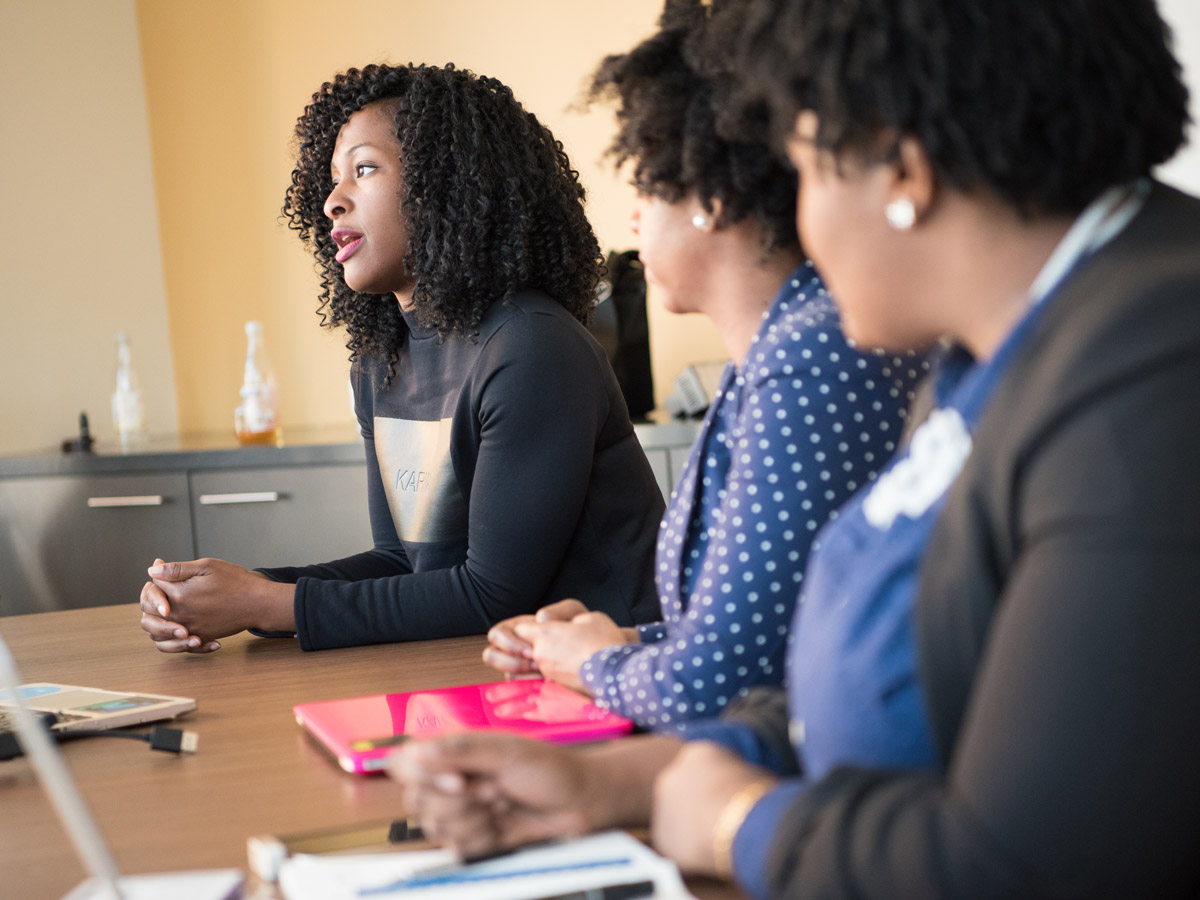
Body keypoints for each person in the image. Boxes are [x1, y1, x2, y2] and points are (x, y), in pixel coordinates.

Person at [390, 1, 1200, 897]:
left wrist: (742, 823)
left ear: (904, 171)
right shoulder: (983, 353)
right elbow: (869, 685)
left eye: (807, 172)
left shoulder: (1156, 369)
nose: (799, 223)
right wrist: (608, 785)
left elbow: (1027, 864)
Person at [480, 0, 927, 729]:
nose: (632, 219)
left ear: (712, 198)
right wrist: (617, 641)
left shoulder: (811, 356)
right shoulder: (778, 351)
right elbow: (760, 636)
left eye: (648, 186)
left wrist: (593, 665)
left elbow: (716, 685)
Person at [138, 63, 665, 653]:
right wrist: (235, 596)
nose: (333, 201)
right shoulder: (379, 359)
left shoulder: (531, 346)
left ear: (448, 183)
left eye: (364, 170)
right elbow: (402, 563)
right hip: (484, 664)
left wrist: (268, 602)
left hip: (612, 682)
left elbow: (494, 594)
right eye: (333, 179)